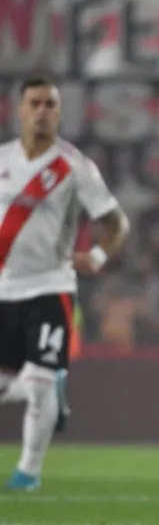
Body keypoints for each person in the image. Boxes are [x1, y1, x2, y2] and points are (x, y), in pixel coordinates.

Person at [0, 75, 129, 491]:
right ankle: (51, 380)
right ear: (18, 110)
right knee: (17, 386)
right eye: (34, 103)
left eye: (49, 104)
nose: (41, 111)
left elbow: (115, 222)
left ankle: (28, 474)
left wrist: (98, 255)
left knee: (37, 383)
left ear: (58, 111)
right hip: (4, 289)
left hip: (49, 286)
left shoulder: (74, 167)